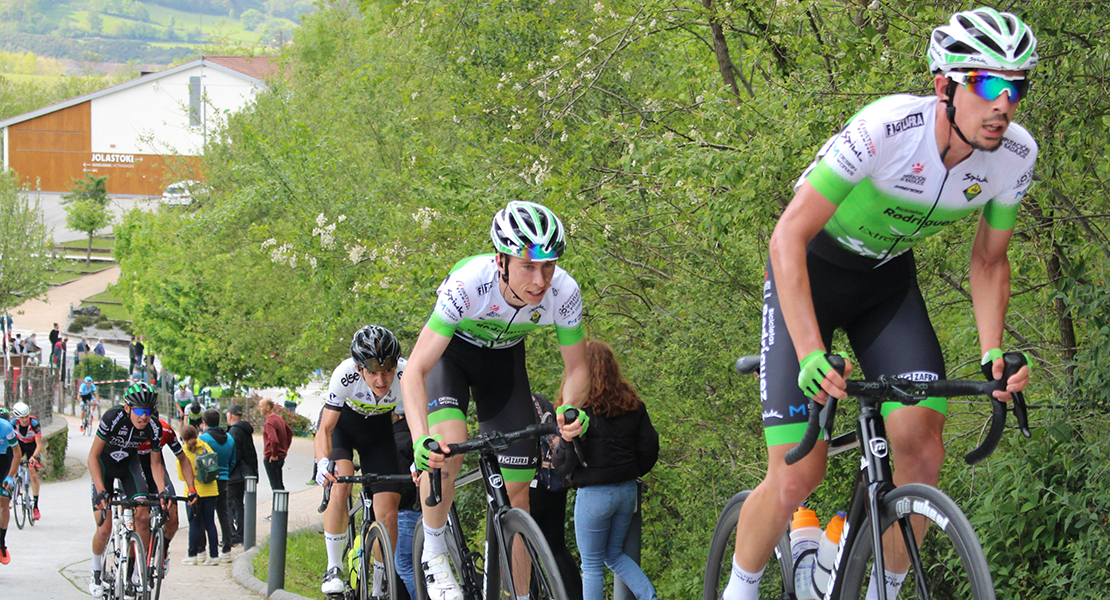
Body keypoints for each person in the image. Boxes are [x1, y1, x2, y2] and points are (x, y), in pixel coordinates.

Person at [723, 9, 1038, 600]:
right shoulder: (887, 130)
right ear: (945, 85)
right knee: (798, 473)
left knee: (921, 447)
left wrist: (992, 352)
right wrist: (813, 352)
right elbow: (786, 237)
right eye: (990, 84)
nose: (1004, 103)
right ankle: (740, 588)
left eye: (1017, 87)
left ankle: (883, 591)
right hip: (811, 274)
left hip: (886, 290)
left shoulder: (1015, 157)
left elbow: (990, 261)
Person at [401, 200, 589, 600]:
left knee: (518, 493)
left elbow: (577, 369)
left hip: (503, 365)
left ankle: (518, 591)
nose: (540, 280)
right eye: (528, 266)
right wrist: (420, 439)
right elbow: (415, 370)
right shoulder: (469, 283)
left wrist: (571, 409)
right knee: (448, 445)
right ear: (501, 260)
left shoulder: (564, 291)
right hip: (451, 358)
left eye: (548, 266)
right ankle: (434, 555)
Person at [552, 340, 659, 600]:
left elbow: (564, 463)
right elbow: (650, 447)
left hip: (594, 496)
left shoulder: (577, 414)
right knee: (614, 555)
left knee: (591, 566)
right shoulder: (633, 406)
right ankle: (650, 597)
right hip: (626, 492)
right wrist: (633, 471)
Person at [314, 325, 406, 596]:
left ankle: (380, 585)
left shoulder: (406, 374)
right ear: (359, 369)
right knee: (341, 482)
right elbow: (325, 430)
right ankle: (334, 568)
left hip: (378, 433)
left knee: (388, 510)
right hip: (342, 427)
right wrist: (322, 463)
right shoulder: (344, 375)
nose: (381, 380)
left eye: (387, 371)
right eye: (373, 372)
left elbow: (416, 422)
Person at [87, 382, 171, 598]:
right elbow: (93, 457)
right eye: (139, 411)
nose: (144, 417)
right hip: (104, 467)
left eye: (148, 412)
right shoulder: (112, 418)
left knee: (143, 516)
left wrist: (162, 491)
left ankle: (135, 571)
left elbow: (155, 464)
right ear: (127, 408)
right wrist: (100, 490)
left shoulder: (154, 427)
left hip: (128, 468)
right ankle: (96, 571)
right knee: (104, 530)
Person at [530, 393, 583, 600]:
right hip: (555, 481)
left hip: (530, 484)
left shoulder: (509, 406)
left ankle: (526, 595)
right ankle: (574, 596)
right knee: (557, 547)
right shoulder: (540, 401)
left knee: (525, 550)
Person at [137, 415, 199, 570]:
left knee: (172, 520)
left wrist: (192, 488)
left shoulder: (164, 430)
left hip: (157, 471)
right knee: (140, 517)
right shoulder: (130, 429)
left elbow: (183, 459)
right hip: (133, 471)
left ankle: (163, 548)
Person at [179, 425, 221, 566]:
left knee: (194, 524)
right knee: (210, 523)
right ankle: (214, 555)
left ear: (183, 439)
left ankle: (193, 554)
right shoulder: (205, 447)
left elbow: (181, 476)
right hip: (211, 490)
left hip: (194, 492)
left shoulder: (183, 453)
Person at [392, 391, 421, 600]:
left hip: (406, 511)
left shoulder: (396, 438)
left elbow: (400, 482)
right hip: (426, 509)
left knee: (404, 565)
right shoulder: (421, 433)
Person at [199, 409, 236, 561]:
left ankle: (202, 549)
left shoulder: (203, 439)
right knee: (224, 514)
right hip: (224, 479)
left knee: (203, 515)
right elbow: (233, 461)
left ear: (205, 423)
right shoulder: (229, 438)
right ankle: (226, 548)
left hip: (207, 481)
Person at [226, 404, 258, 546]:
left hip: (237, 473)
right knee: (238, 503)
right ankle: (241, 533)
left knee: (227, 502)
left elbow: (235, 453)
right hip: (247, 471)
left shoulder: (235, 431)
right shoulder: (244, 429)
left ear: (230, 415)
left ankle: (232, 534)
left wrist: (228, 470)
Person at [9, 403, 43, 521]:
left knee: (33, 476)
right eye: (22, 417)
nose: (24, 420)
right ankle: (15, 486)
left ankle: (35, 507)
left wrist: (34, 457)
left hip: (32, 447)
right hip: (20, 445)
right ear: (17, 417)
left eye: (26, 417)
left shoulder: (34, 423)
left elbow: (39, 445)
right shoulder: (13, 424)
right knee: (11, 464)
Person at [0, 414, 22, 564]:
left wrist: (10, 476)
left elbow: (17, 453)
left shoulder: (5, 427)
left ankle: (1, 542)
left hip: (5, 461)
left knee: (3, 503)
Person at [260, 398, 292, 492]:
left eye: (261, 406)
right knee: (279, 483)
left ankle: (278, 505)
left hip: (271, 457)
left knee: (275, 485)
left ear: (268, 408)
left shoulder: (269, 422)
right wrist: (285, 448)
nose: (259, 408)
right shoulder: (279, 418)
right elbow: (290, 432)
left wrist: (273, 454)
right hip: (281, 456)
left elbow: (273, 439)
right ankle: (281, 505)